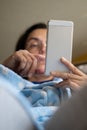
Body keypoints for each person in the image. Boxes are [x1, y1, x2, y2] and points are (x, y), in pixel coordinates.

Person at [2, 22, 87, 91]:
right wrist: (3, 69)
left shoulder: (75, 88)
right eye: (34, 45)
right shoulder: (7, 86)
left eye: (50, 45)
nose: (43, 49)